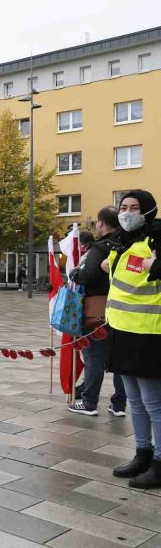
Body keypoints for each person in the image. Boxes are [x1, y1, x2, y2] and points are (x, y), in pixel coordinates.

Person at [106, 191, 161, 488]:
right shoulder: (123, 241)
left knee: (155, 403)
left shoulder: (155, 238)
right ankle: (142, 453)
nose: (127, 213)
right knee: (135, 402)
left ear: (149, 210)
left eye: (134, 208)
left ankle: (160, 463)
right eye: (123, 207)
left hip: (150, 333)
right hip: (122, 331)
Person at [69, 208, 127, 417]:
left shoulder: (100, 248)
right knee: (119, 359)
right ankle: (119, 405)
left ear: (101, 224)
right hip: (123, 310)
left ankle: (89, 402)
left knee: (93, 355)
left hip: (97, 311)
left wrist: (76, 273)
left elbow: (89, 276)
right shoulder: (126, 244)